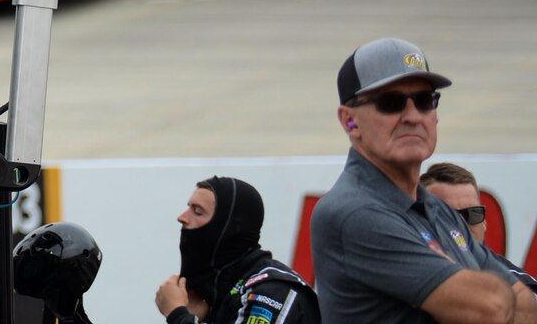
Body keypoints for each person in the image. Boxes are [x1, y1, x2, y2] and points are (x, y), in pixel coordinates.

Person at [310, 38, 536, 324]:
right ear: (349, 121)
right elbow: (488, 309)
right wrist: (490, 289)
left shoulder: (436, 207)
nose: (413, 116)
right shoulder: (352, 212)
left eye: (424, 100)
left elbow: (527, 307)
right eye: (390, 103)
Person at [155, 176, 319, 324]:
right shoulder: (228, 290)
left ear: (230, 228)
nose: (182, 217)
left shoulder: (272, 291)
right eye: (188, 207)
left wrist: (177, 314)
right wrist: (209, 317)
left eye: (197, 211)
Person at [421, 164, 537, 295]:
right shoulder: (401, 281)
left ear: (484, 222)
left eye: (472, 213)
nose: (461, 225)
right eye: (446, 215)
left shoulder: (522, 288)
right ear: (418, 221)